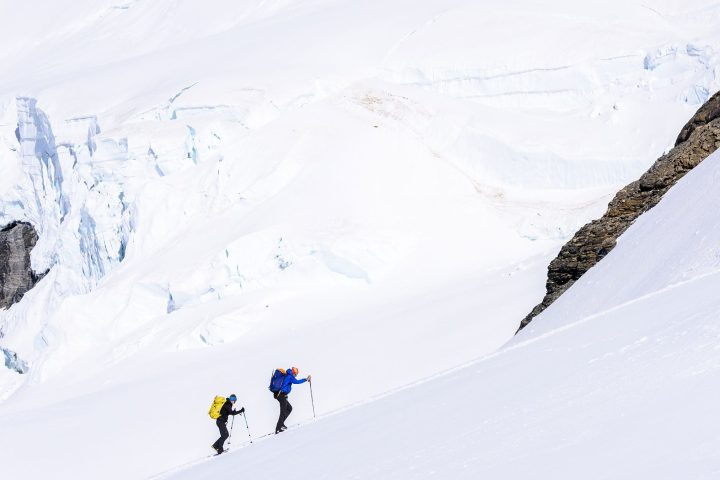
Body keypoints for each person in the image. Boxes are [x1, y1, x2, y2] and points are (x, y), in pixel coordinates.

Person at [273, 367, 311, 434]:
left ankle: (281, 424)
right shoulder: (290, 376)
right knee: (283, 411)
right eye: (296, 373)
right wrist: (306, 379)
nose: (295, 375)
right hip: (281, 395)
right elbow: (297, 382)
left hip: (281, 395)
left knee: (289, 408)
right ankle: (278, 428)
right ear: (294, 372)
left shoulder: (288, 375)